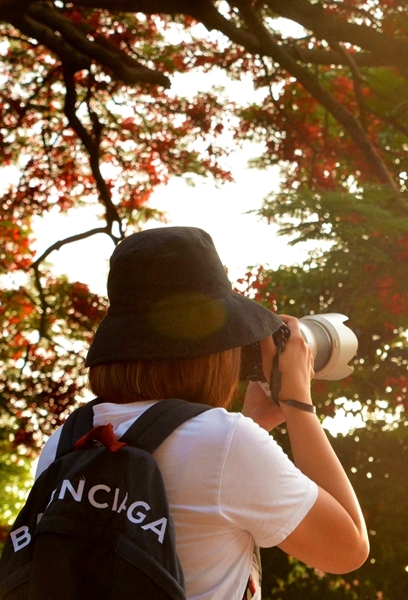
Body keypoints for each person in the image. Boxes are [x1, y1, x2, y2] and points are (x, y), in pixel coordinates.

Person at [32, 226, 368, 600]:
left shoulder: (64, 442)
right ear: (214, 348)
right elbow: (347, 548)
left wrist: (253, 422)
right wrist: (298, 404)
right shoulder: (225, 444)